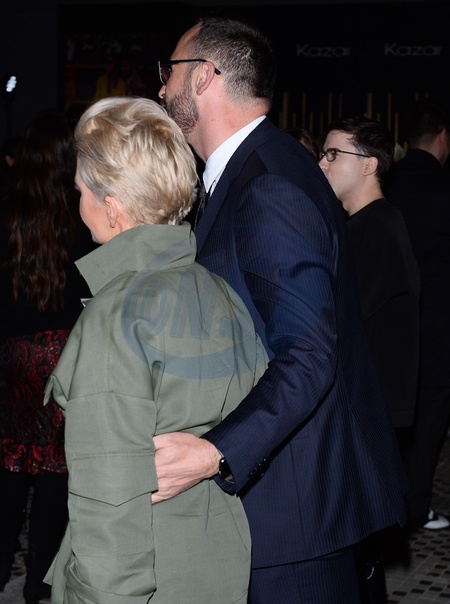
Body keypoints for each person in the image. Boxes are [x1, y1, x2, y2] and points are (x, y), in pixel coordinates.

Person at [154, 17, 408, 603]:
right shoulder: (253, 169)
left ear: (204, 77)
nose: (161, 86)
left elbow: (310, 354)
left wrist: (216, 451)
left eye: (169, 70)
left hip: (294, 515)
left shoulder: (268, 180)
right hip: (283, 502)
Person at [43, 96, 268, 604]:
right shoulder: (220, 293)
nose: (79, 206)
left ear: (112, 206)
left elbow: (109, 502)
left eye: (81, 192)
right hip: (218, 565)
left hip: (142, 577)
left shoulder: (116, 316)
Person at [319, 116, 421, 603]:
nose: (322, 163)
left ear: (369, 165)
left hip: (365, 414)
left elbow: (339, 326)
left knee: (355, 551)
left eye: (333, 154)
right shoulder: (370, 225)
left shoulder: (374, 230)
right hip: (368, 410)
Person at [0, 109, 95, 604]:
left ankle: (1, 568)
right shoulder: (82, 210)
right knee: (56, 466)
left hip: (12, 354)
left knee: (11, 459)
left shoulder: (7, 208)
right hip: (64, 352)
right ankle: (39, 581)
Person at [386, 98, 450, 531]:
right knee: (430, 419)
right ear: (443, 137)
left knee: (395, 416)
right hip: (438, 327)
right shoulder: (443, 188)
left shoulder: (387, 182)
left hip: (392, 322)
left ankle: (388, 500)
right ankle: (416, 505)